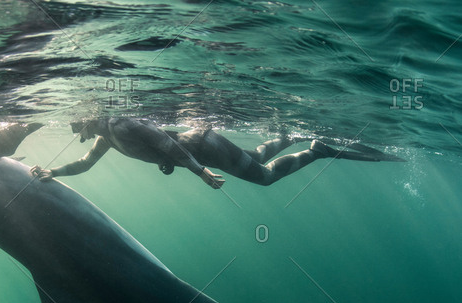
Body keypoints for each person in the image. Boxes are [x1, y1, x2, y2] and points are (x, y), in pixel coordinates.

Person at [31, 117, 395, 189]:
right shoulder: (105, 139)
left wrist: (199, 172)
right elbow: (84, 163)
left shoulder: (118, 126)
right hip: (204, 145)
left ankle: (315, 150)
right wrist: (53, 173)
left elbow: (167, 144)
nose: (73, 132)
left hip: (202, 147)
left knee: (264, 177)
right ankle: (291, 135)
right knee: (252, 153)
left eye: (73, 124)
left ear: (85, 118)